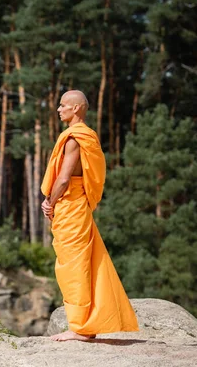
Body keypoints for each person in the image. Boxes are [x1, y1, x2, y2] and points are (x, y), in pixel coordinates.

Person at [40, 90, 139, 342]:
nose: (59, 109)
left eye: (63, 105)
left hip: (69, 205)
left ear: (75, 109)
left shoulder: (74, 138)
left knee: (73, 265)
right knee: (83, 261)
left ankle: (81, 327)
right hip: (76, 204)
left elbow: (63, 178)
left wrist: (50, 203)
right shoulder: (87, 136)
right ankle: (88, 323)